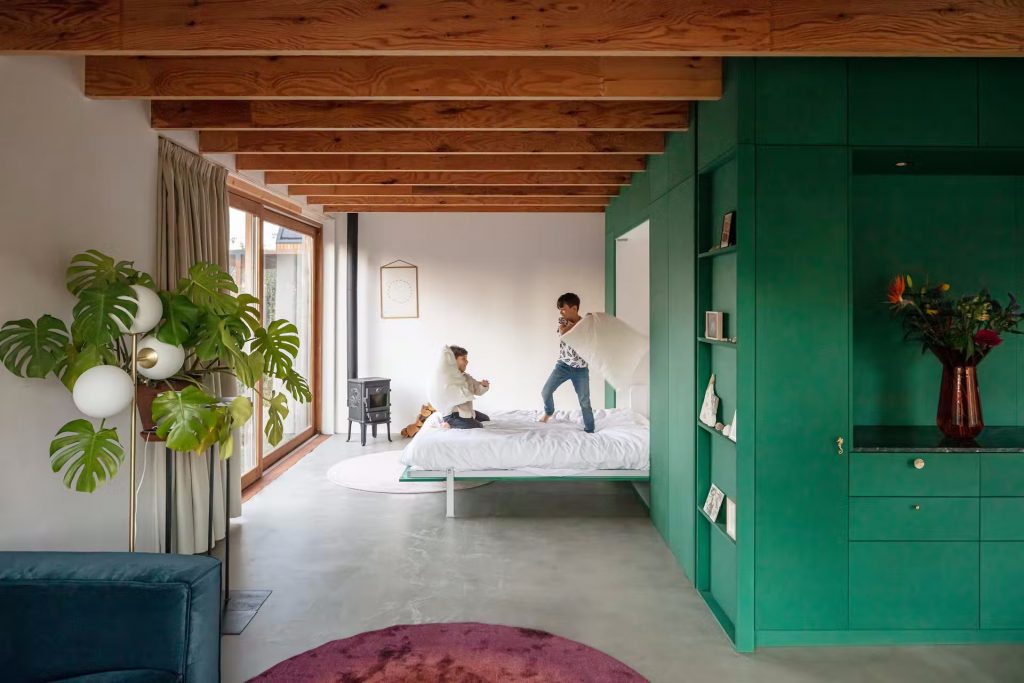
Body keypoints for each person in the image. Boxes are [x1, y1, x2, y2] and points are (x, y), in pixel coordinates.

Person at [540, 293, 595, 433]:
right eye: (560, 309)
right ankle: (549, 412)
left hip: (581, 370)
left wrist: (585, 323)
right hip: (563, 366)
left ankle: (590, 429)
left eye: (563, 309)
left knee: (585, 402)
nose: (561, 312)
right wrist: (578, 324)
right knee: (545, 392)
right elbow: (563, 334)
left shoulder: (587, 324)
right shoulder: (563, 321)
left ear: (574, 308)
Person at [441, 345, 491, 429]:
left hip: (466, 412)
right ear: (453, 361)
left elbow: (478, 390)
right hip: (454, 414)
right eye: (463, 359)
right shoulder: (448, 378)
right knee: (478, 425)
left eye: (466, 359)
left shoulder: (466, 377)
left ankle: (469, 417)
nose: (467, 362)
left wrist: (483, 385)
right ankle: (450, 423)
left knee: (486, 418)